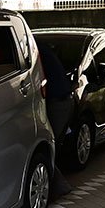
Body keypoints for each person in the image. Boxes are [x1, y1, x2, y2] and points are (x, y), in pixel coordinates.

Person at [37, 41, 74, 197]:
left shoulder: (35, 52)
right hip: (63, 100)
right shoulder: (41, 47)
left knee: (47, 146)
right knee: (50, 146)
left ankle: (58, 188)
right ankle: (56, 187)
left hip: (58, 103)